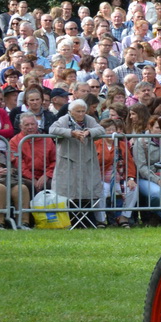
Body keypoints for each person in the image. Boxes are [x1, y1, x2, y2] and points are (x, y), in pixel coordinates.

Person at [49, 97, 105, 226]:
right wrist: (71, 133)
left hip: (86, 160)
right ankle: (70, 221)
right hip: (68, 160)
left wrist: (89, 132)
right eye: (78, 111)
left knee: (87, 189)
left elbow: (101, 129)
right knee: (69, 190)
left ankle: (88, 221)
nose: (81, 114)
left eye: (83, 111)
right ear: (70, 112)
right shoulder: (63, 119)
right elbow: (52, 129)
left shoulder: (89, 119)